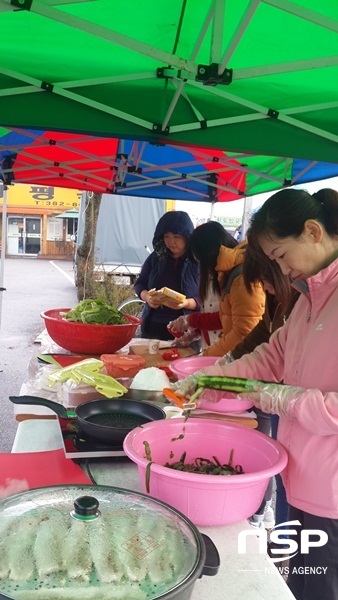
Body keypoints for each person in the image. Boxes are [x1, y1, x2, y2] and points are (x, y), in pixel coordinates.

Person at [175, 188, 338, 600]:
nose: (281, 270)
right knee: (297, 586)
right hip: (300, 479)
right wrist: (216, 380)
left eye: (281, 256)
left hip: (333, 497)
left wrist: (277, 398)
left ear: (313, 232)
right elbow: (271, 355)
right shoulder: (309, 298)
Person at [168, 221, 266, 355]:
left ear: (210, 253)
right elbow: (226, 315)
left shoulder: (240, 278)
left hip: (233, 355)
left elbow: (242, 331)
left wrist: (191, 321)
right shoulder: (223, 273)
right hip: (223, 351)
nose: (202, 267)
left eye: (202, 261)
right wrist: (195, 331)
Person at [134, 211, 200, 341]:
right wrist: (147, 297)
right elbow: (140, 283)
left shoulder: (197, 261)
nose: (171, 242)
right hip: (153, 326)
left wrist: (186, 303)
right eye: (167, 236)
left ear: (187, 237)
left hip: (185, 329)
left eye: (177, 237)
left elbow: (208, 298)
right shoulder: (155, 258)